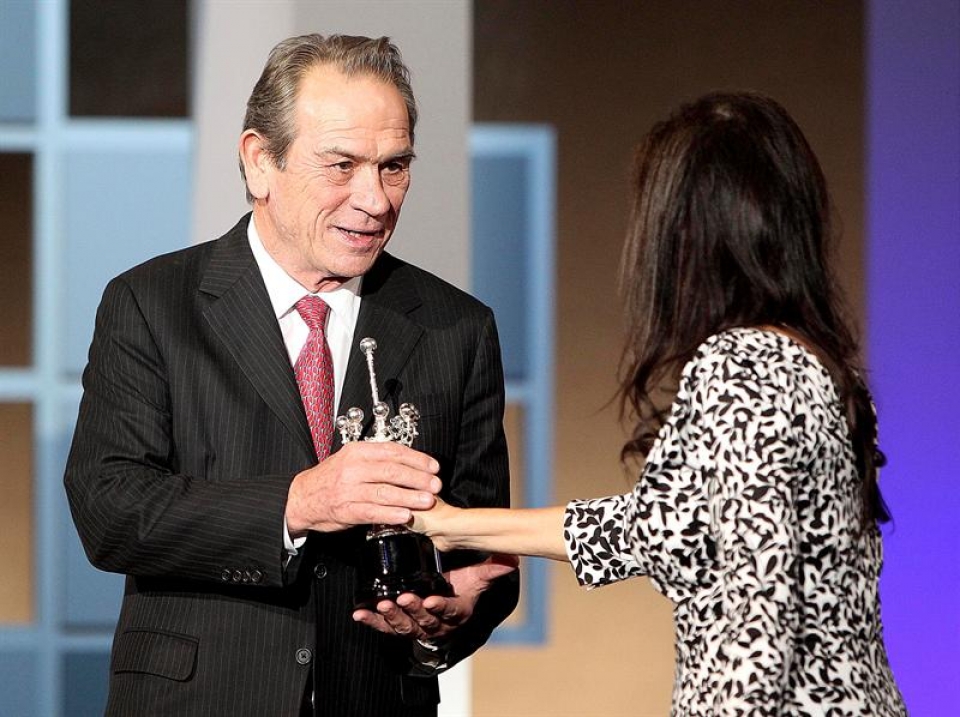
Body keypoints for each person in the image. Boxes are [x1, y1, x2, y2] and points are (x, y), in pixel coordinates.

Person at [64, 34, 518, 717]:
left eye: (394, 166)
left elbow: (482, 542)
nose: (374, 199)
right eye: (342, 165)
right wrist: (298, 502)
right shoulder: (153, 303)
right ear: (260, 161)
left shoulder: (456, 328)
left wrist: (446, 622)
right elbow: (110, 507)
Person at [411, 91, 907, 715]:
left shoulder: (743, 367)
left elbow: (756, 632)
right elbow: (651, 527)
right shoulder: (811, 361)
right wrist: (445, 523)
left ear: (683, 230)